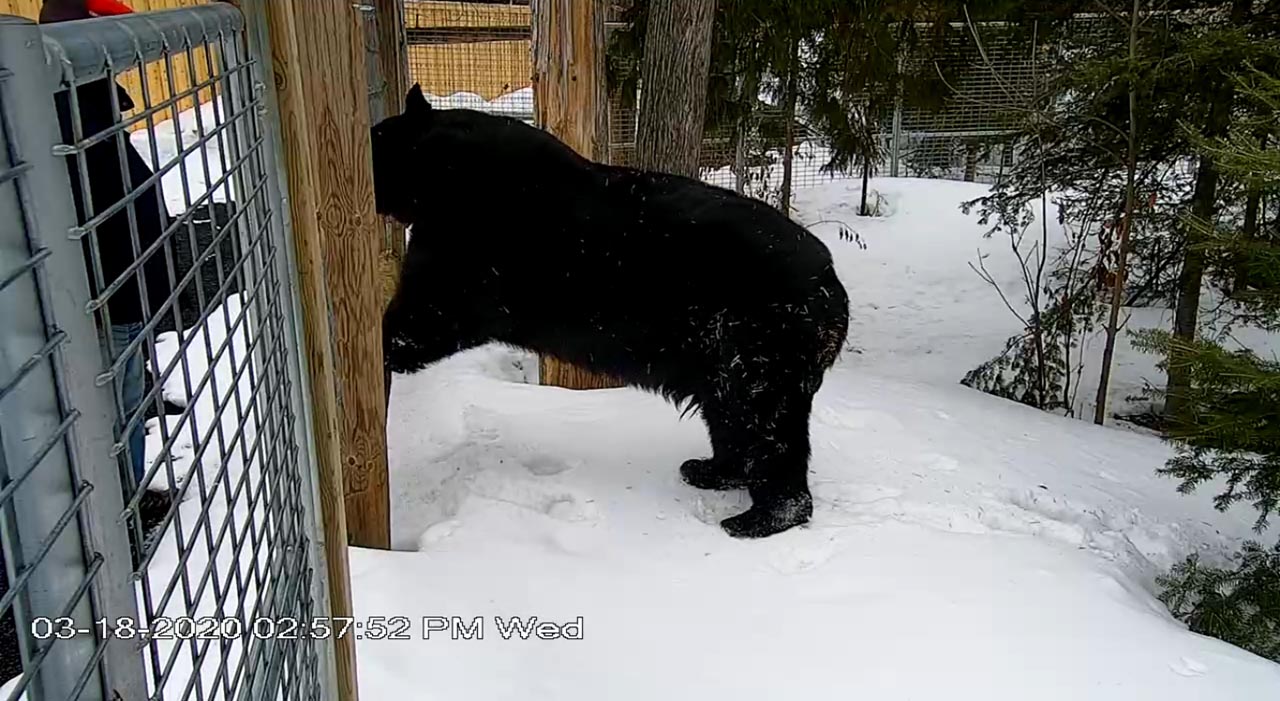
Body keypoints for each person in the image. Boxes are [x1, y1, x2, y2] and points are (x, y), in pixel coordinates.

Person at [41, 0, 175, 532]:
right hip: (103, 294)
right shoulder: (62, 109)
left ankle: (120, 502)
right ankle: (113, 519)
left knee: (121, 397)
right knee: (108, 408)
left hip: (119, 287)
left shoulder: (82, 99)